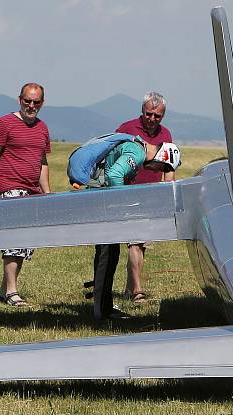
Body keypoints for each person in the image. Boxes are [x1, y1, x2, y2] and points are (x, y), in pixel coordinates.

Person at [69, 135, 181, 320]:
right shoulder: (136, 153)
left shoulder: (135, 149)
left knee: (109, 254)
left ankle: (104, 305)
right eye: (161, 167)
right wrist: (121, 206)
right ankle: (102, 311)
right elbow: (114, 174)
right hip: (103, 205)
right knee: (108, 253)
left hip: (101, 201)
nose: (157, 170)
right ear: (161, 157)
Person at [0, 82, 51, 307]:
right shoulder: (4, 124)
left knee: (25, 244)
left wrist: (47, 193)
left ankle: (5, 289)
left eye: (36, 102)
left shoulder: (43, 128)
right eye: (27, 101)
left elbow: (42, 161)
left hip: (32, 191)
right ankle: (12, 292)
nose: (31, 105)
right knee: (14, 240)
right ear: (19, 100)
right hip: (10, 188)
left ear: (42, 103)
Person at [115, 91, 174, 303]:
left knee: (141, 245)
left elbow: (169, 167)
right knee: (134, 242)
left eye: (157, 116)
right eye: (149, 114)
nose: (152, 119)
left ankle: (130, 288)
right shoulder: (127, 129)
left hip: (152, 196)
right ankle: (138, 291)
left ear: (163, 116)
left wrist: (168, 189)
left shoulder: (165, 134)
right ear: (142, 111)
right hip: (128, 193)